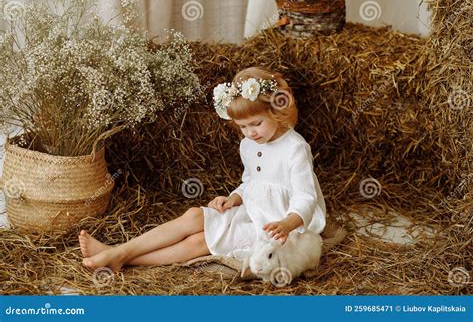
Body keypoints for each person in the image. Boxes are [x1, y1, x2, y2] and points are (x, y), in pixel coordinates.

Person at [79, 66, 327, 272]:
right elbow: (252, 180)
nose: (250, 132)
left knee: (198, 242)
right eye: (243, 127)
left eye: (256, 123)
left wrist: (286, 223)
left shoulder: (294, 147)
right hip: (253, 210)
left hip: (281, 227)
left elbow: (306, 197)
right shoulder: (249, 145)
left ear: (277, 110)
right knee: (193, 216)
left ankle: (120, 257)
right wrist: (234, 198)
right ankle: (120, 252)